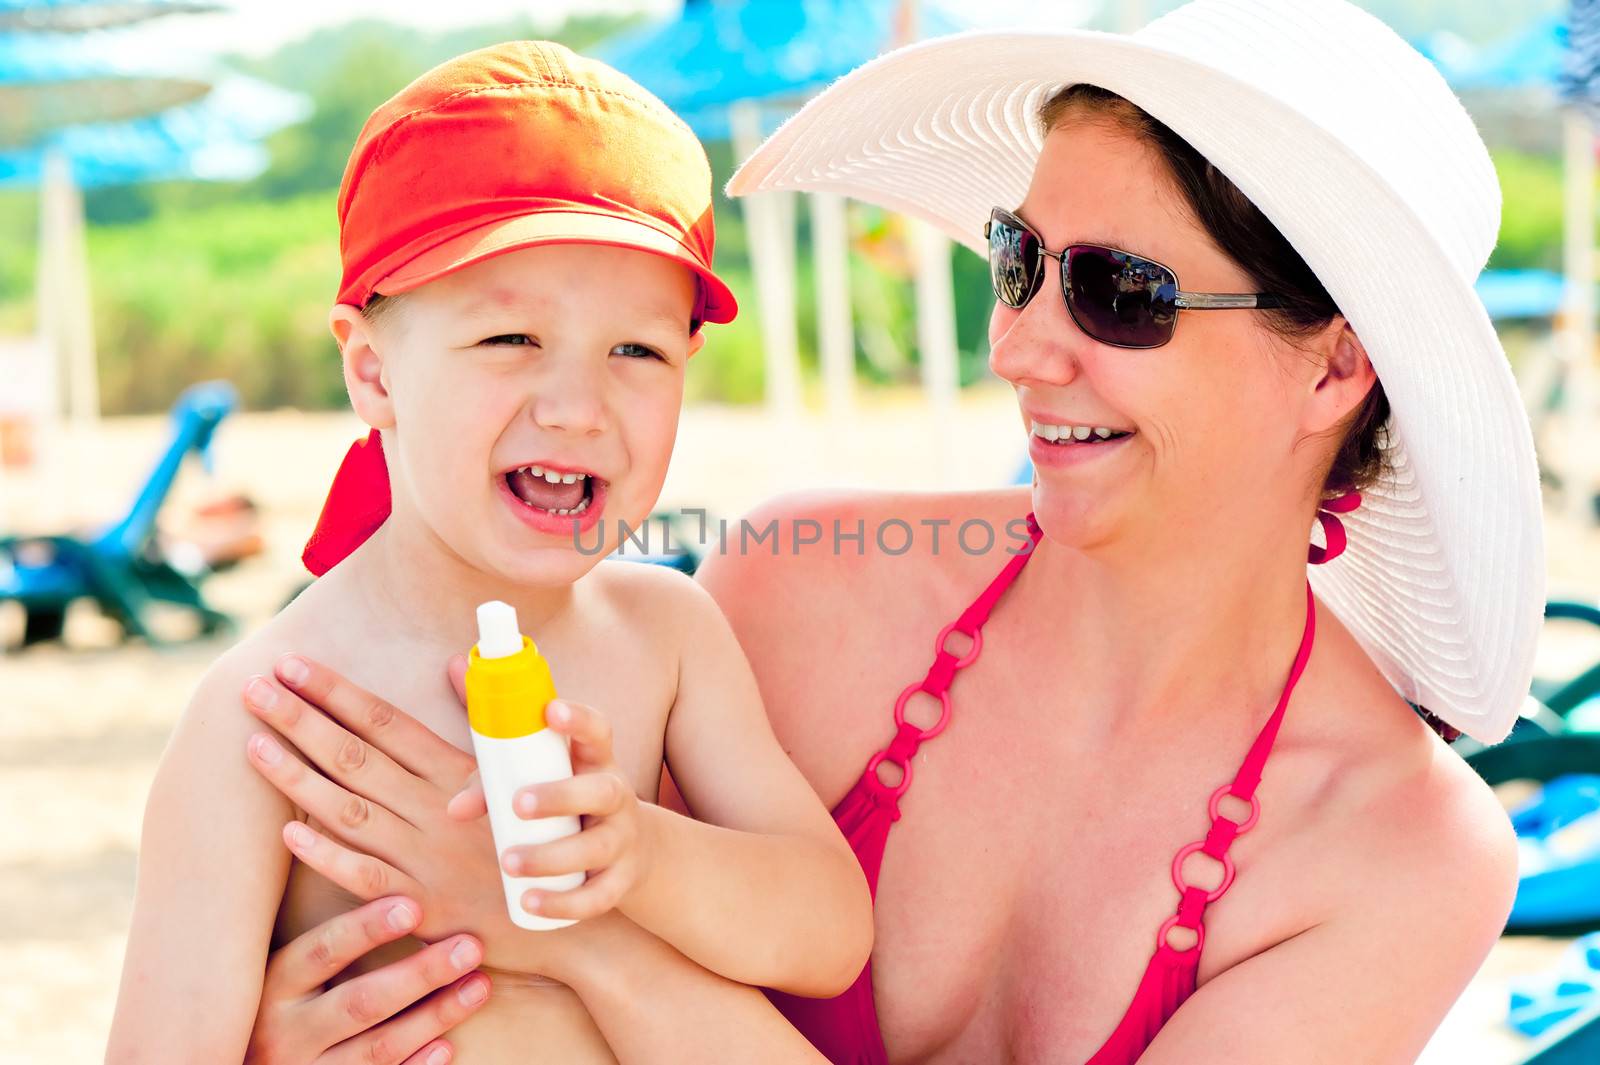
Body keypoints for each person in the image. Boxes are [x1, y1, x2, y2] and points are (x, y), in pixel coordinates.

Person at [238, 0, 1544, 1061]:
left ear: (1332, 371)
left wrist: (575, 940)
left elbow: (543, 931)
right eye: (1019, 260)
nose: (1018, 344)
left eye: (1119, 293)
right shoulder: (793, 590)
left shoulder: (1400, 851)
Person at [105, 41, 873, 1065]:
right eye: (510, 341)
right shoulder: (272, 714)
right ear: (373, 372)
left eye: (636, 350)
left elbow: (828, 936)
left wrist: (640, 855)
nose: (576, 407)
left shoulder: (666, 634)